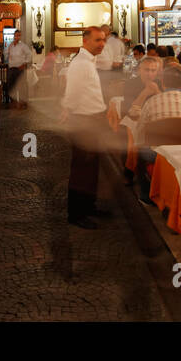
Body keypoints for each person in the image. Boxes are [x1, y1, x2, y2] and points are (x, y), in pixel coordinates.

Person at [61, 25, 112, 228]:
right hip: (83, 120)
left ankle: (89, 206)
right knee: (81, 169)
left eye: (103, 40)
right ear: (85, 41)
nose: (102, 44)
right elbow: (72, 93)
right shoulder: (81, 64)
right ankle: (76, 214)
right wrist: (69, 112)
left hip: (93, 119)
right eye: (97, 40)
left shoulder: (89, 61)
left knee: (91, 167)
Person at [4, 29, 34, 107]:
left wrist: (25, 64)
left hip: (20, 68)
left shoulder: (23, 46)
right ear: (14, 36)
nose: (16, 37)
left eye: (18, 35)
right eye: (15, 35)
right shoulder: (10, 45)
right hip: (11, 68)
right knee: (11, 85)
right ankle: (12, 101)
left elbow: (30, 55)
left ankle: (23, 102)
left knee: (22, 85)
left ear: (20, 37)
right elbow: (6, 54)